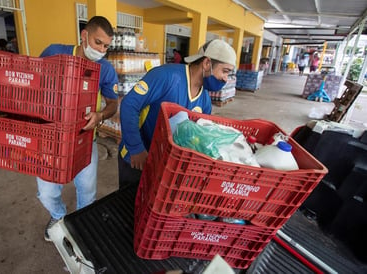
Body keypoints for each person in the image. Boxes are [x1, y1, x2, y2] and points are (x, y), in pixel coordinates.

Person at [37, 16, 118, 241]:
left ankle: (83, 223)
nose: (101, 50)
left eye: (106, 46)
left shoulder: (105, 68)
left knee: (87, 190)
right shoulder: (55, 52)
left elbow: (113, 104)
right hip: (50, 138)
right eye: (97, 42)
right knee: (47, 192)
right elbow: (34, 81)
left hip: (85, 139)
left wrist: (100, 115)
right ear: (84, 35)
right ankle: (58, 215)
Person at [118, 39, 236, 188]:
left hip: (164, 164)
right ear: (207, 63)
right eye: (224, 71)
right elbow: (129, 105)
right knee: (128, 205)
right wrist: (136, 149)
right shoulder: (167, 76)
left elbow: (199, 134)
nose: (225, 78)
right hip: (137, 158)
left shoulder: (204, 99)